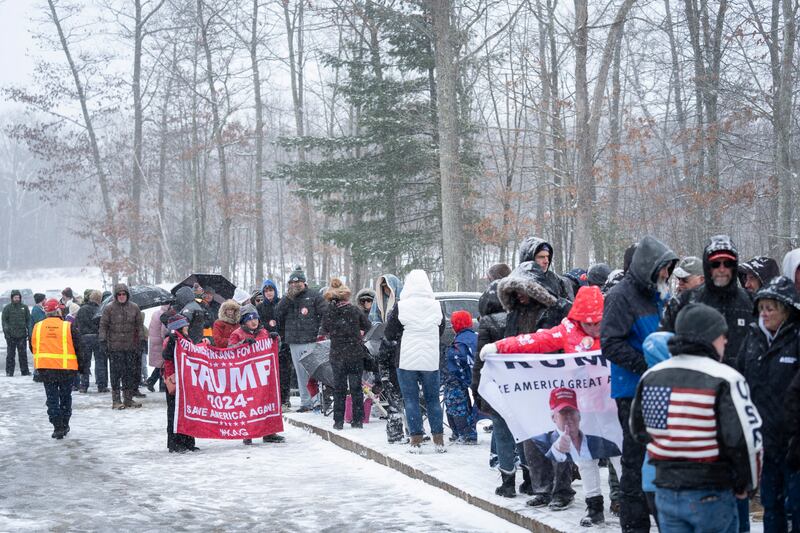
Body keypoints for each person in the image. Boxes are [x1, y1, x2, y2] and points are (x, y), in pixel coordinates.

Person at [484, 285, 621, 524]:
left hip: (613, 406)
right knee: (585, 457)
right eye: (587, 323)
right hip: (582, 407)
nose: (593, 327)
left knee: (621, 457)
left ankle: (631, 504)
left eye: (597, 322)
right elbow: (535, 341)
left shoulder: (616, 329)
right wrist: (499, 347)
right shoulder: (567, 331)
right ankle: (594, 506)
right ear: (578, 318)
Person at [630, 304, 763, 533]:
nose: (726, 342)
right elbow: (745, 440)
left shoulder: (651, 376)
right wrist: (747, 485)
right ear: (710, 337)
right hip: (711, 490)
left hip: (665, 490)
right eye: (723, 336)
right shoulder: (725, 378)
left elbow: (639, 429)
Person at [601, 235, 677, 533]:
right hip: (633, 392)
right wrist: (646, 366)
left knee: (660, 461)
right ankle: (635, 526)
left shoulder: (658, 294)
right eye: (663, 268)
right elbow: (610, 343)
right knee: (635, 464)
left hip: (662, 390)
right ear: (649, 266)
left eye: (669, 269)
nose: (666, 275)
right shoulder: (621, 296)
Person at [737, 276, 800, 532]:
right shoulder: (752, 339)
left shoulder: (796, 338)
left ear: (785, 310)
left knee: (797, 507)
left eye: (770, 308)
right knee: (771, 509)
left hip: (795, 445)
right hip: (764, 444)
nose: (764, 314)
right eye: (761, 308)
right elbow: (739, 381)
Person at [472, 276, 528, 498]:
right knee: (524, 431)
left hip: (496, 385)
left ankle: (508, 482)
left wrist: (476, 386)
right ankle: (530, 479)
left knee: (502, 431)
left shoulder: (487, 323)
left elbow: (480, 360)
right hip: (520, 382)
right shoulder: (521, 318)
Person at [384, 269, 446, 453]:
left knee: (410, 400)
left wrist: (402, 336)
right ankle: (439, 440)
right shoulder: (437, 305)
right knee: (433, 400)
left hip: (406, 359)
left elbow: (389, 333)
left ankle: (416, 440)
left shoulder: (401, 306)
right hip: (430, 359)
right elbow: (441, 329)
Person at [228, 304, 286, 445]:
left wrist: (275, 340)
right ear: (243, 321)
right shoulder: (237, 333)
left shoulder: (264, 332)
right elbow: (230, 352)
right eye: (249, 318)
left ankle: (269, 432)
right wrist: (242, 343)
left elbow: (274, 352)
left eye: (255, 318)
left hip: (263, 376)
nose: (253, 321)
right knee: (249, 404)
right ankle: (248, 432)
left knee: (267, 403)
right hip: (246, 377)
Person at [320, 278, 371, 430]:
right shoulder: (355, 310)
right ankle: (357, 420)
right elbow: (368, 327)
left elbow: (323, 331)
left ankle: (338, 421)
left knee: (339, 388)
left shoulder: (329, 312)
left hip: (337, 355)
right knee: (356, 388)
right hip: (355, 353)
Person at [275, 267, 327, 412]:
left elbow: (325, 313)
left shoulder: (314, 296)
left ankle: (316, 400)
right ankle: (306, 402)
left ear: (304, 282)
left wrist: (321, 332)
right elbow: (278, 314)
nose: (295, 285)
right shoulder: (288, 298)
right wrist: (287, 298)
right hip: (293, 340)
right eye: (292, 283)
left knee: (312, 372)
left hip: (310, 339)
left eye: (298, 282)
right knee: (300, 373)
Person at [31, 298, 82, 439]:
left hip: (46, 369)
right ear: (58, 310)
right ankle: (64, 423)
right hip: (66, 369)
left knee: (52, 398)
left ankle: (57, 426)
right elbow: (79, 347)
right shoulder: (68, 326)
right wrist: (82, 367)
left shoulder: (38, 327)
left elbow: (32, 346)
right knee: (65, 397)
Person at [99, 283, 144, 410]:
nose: (122, 296)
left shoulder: (134, 308)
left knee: (129, 374)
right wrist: (102, 340)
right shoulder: (109, 308)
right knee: (115, 374)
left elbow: (139, 326)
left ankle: (128, 399)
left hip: (130, 347)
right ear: (116, 295)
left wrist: (141, 340)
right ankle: (116, 400)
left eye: (124, 294)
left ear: (127, 295)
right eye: (119, 294)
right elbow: (103, 325)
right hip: (114, 348)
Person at [161, 314, 199, 453]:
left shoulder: (184, 339)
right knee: (175, 412)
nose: (187, 327)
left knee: (186, 411)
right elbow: (166, 356)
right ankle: (174, 442)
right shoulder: (171, 340)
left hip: (185, 380)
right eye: (185, 325)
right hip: (175, 380)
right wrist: (173, 342)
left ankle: (188, 441)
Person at [443, 310, 478, 445]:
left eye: (453, 324)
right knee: (466, 404)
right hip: (477, 376)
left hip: (458, 378)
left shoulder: (460, 341)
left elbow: (459, 358)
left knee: (456, 404)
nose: (451, 327)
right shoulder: (476, 336)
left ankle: (464, 433)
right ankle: (467, 432)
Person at [256, 279, 291, 409]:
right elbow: (258, 324)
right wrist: (267, 331)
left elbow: (287, 320)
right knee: (268, 373)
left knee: (284, 371)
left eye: (271, 290)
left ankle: (284, 398)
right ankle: (270, 398)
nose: (269, 293)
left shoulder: (282, 303)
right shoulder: (260, 307)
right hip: (267, 343)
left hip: (283, 341)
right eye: (266, 291)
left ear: (275, 291)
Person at [75, 290, 105, 392]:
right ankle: (101, 385)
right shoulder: (100, 310)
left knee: (85, 362)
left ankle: (84, 385)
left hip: (84, 338)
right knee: (100, 362)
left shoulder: (82, 309)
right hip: (97, 338)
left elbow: (77, 324)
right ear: (100, 299)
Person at [3, 289, 31, 377]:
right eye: (15, 297)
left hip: (22, 335)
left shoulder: (24, 307)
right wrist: (7, 333)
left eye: (18, 297)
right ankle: (9, 372)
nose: (17, 299)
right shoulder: (7, 308)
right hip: (11, 336)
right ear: (12, 298)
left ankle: (25, 371)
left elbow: (28, 320)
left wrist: (29, 331)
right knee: (10, 355)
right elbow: (4, 321)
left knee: (23, 355)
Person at [145, 304, 168, 392]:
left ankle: (152, 381)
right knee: (163, 364)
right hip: (161, 342)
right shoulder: (165, 314)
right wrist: (166, 339)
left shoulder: (156, 313)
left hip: (154, 341)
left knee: (161, 364)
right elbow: (164, 330)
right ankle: (159, 384)